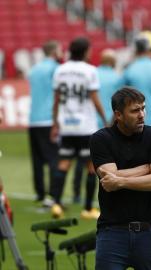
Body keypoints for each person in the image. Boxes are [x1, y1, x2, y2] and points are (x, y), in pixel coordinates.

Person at [90, 87, 151, 270]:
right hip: (112, 232)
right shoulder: (101, 139)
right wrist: (146, 169)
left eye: (143, 108)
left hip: (150, 230)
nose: (141, 114)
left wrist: (121, 180)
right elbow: (108, 178)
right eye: (135, 110)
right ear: (118, 115)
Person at [50, 37, 107, 219]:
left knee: (64, 163)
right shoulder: (90, 71)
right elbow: (95, 98)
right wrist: (105, 118)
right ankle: (88, 208)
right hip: (86, 126)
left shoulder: (60, 70)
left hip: (67, 124)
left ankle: (56, 204)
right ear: (85, 51)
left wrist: (55, 122)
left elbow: (57, 99)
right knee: (91, 166)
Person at [72, 48, 121, 204]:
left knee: (83, 159)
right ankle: (106, 192)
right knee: (108, 161)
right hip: (109, 122)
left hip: (89, 123)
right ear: (113, 62)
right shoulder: (118, 77)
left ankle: (76, 193)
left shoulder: (93, 73)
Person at [28, 40, 62, 206]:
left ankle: (40, 193)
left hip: (33, 119)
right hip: (49, 118)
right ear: (54, 51)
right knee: (53, 158)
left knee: (37, 159)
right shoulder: (56, 68)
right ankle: (53, 195)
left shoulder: (34, 69)